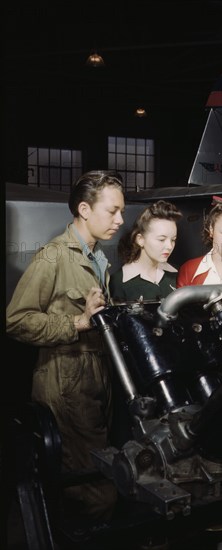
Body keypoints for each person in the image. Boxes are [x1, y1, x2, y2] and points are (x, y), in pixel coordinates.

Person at [6, 170, 125, 523]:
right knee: (93, 489)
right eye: (113, 211)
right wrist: (77, 322)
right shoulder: (53, 256)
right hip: (65, 380)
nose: (120, 220)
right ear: (85, 210)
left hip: (94, 379)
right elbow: (16, 319)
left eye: (122, 211)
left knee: (99, 473)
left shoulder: (96, 258)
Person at [110, 200, 182, 302]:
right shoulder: (119, 282)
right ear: (140, 240)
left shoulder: (177, 274)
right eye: (161, 239)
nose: (169, 246)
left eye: (173, 240)